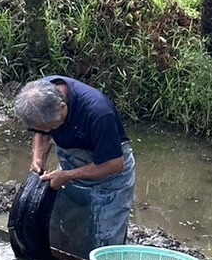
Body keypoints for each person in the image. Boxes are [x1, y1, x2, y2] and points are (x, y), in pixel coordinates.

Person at [13, 75, 135, 249]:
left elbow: (115, 164)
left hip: (110, 177)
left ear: (63, 106)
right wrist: (38, 159)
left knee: (104, 238)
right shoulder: (38, 96)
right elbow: (41, 131)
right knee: (65, 229)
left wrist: (67, 175)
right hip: (69, 168)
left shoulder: (98, 112)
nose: (48, 132)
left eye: (52, 127)